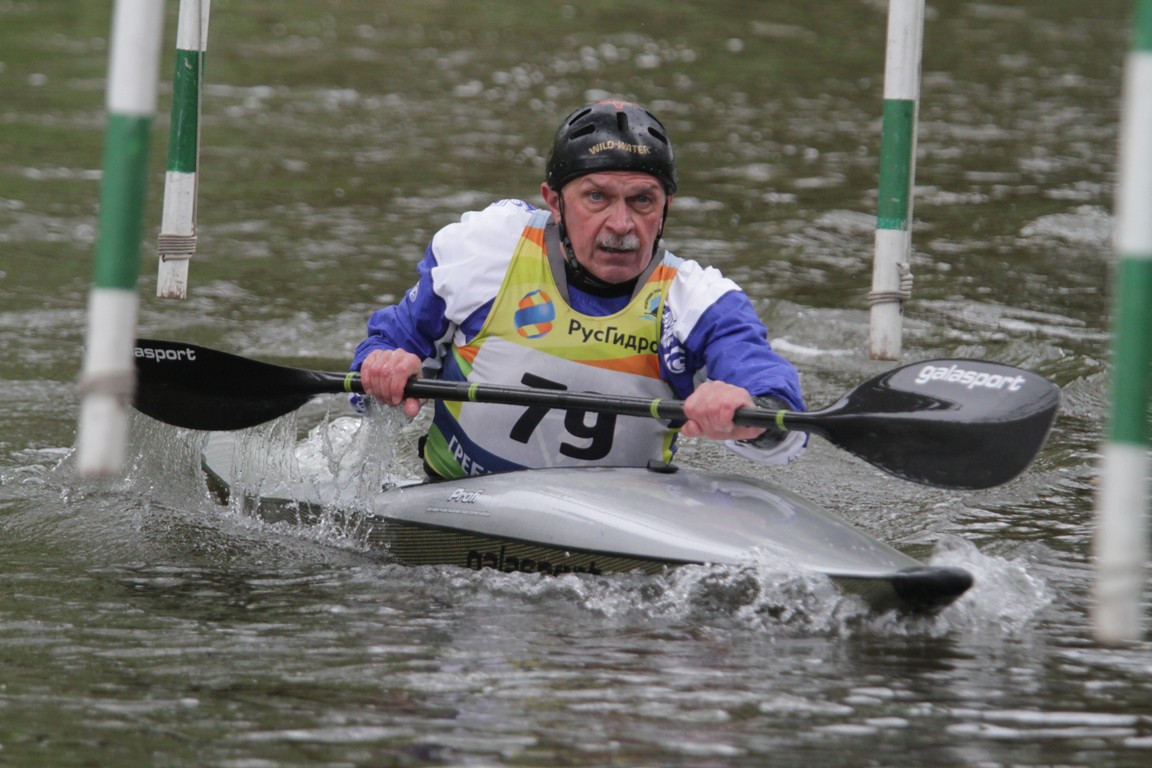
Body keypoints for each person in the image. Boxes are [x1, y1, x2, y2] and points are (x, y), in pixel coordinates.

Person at [352, 99, 806, 479]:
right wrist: (381, 371)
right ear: (554, 202)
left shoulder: (697, 302)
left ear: (666, 207)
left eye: (642, 200)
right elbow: (383, 348)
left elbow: (782, 414)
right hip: (454, 503)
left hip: (612, 525)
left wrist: (749, 412)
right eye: (596, 197)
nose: (621, 224)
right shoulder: (488, 249)